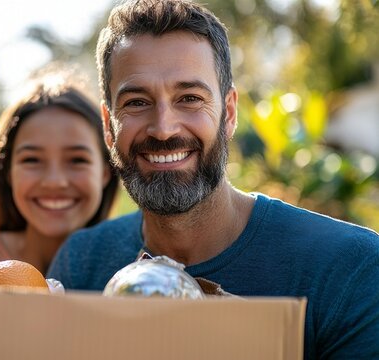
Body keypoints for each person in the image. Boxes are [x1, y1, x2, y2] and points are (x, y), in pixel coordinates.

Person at [46, 0, 379, 359]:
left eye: (190, 98)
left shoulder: (349, 269)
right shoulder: (81, 267)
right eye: (137, 102)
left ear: (229, 113)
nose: (163, 129)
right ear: (109, 127)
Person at [0, 68, 119, 276]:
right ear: (8, 171)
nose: (54, 181)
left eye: (77, 160)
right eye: (32, 160)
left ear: (106, 171)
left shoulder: (134, 269)